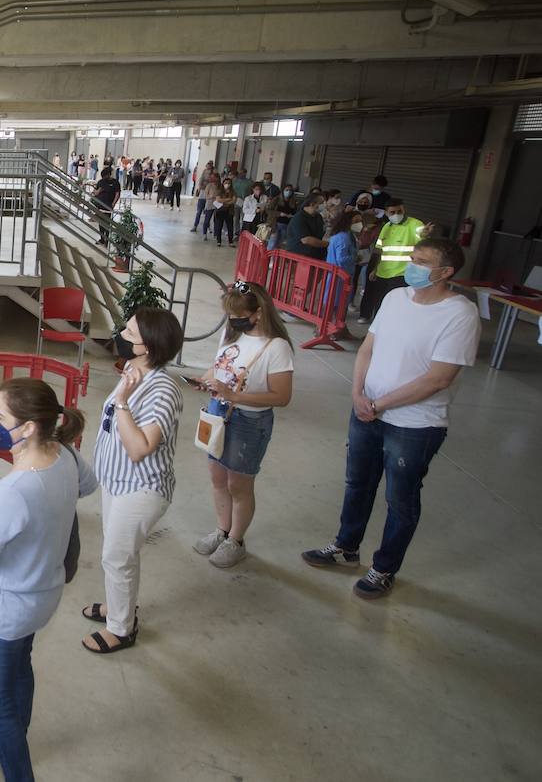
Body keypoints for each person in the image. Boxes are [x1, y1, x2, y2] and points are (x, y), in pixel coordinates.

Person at [302, 238, 479, 599]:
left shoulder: (460, 313)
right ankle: (346, 547)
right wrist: (357, 395)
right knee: (357, 484)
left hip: (415, 424)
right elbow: (368, 347)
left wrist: (380, 403)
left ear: (446, 272)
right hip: (366, 409)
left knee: (400, 499)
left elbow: (439, 378)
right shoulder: (395, 298)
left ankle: (384, 568)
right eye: (412, 258)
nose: (411, 265)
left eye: (421, 261)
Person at [0, 378, 94, 780]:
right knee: (20, 666)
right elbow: (88, 486)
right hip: (43, 594)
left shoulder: (15, 491)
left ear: (28, 428)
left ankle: (15, 758)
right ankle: (10, 734)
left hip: (6, 608)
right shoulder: (65, 456)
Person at [83, 308, 184, 653]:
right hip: (117, 482)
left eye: (130, 334)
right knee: (120, 552)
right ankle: (118, 607)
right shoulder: (133, 368)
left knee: (116, 556)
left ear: (149, 346)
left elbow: (140, 448)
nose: (121, 336)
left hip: (141, 487)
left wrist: (123, 402)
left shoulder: (163, 390)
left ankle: (121, 629)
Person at [190, 283, 294, 568]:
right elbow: (220, 366)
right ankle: (222, 530)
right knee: (217, 477)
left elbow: (282, 396)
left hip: (249, 420)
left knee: (239, 483)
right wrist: (205, 379)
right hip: (217, 411)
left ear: (258, 313)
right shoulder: (232, 334)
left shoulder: (276, 347)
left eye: (236, 314)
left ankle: (236, 539)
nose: (231, 319)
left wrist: (235, 395)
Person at [358, 198, 423, 324]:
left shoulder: (416, 225)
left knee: (395, 307)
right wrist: (375, 269)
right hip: (383, 273)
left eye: (400, 211)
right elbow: (379, 250)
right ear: (386, 213)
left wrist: (425, 234)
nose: (396, 215)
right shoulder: (386, 227)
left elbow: (423, 238)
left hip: (402, 274)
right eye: (392, 212)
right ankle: (376, 332)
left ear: (404, 209)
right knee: (380, 304)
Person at [325, 210, 360, 324]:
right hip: (340, 276)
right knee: (337, 303)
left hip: (339, 275)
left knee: (335, 302)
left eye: (360, 221)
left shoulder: (345, 236)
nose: (359, 223)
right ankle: (334, 329)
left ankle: (331, 327)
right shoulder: (344, 238)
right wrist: (356, 258)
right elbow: (341, 259)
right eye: (356, 221)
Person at [283, 193, 328, 258]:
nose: (325, 205)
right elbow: (306, 240)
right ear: (312, 204)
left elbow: (321, 234)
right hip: (299, 256)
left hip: (315, 255)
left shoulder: (318, 217)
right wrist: (327, 244)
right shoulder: (299, 218)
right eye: (322, 203)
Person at [91, 166, 121, 246]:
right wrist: (98, 190)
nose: (104, 178)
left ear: (109, 174)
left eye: (105, 176)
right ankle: (102, 239)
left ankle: (107, 240)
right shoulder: (101, 182)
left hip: (108, 205)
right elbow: (96, 192)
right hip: (100, 205)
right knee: (100, 222)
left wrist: (113, 204)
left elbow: (117, 194)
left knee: (107, 223)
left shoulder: (115, 182)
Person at [210, 179, 238, 246]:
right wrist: (228, 199)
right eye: (225, 183)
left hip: (229, 211)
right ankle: (219, 241)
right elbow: (218, 199)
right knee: (219, 226)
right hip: (220, 211)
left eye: (228, 183)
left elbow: (234, 200)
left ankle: (230, 242)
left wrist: (224, 202)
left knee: (230, 227)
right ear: (223, 183)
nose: (227, 184)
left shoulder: (233, 192)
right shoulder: (219, 191)